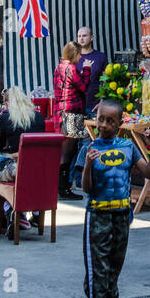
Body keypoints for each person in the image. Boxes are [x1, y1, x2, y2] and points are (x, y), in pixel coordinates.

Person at [81, 99, 150, 298]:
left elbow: (148, 173)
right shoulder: (90, 148)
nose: (103, 125)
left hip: (122, 216)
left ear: (119, 124)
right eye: (100, 119)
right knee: (98, 272)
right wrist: (88, 166)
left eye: (109, 121)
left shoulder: (128, 147)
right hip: (98, 215)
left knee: (113, 271)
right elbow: (87, 188)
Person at [0, 86, 47, 238]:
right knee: (29, 179)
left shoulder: (5, 118)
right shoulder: (38, 117)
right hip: (39, 169)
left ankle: (12, 212)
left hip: (18, 168)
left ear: (7, 103)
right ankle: (35, 213)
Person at [53, 41, 88, 199]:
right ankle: (64, 188)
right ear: (74, 54)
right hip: (72, 112)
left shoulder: (59, 66)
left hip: (60, 112)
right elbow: (84, 86)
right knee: (68, 151)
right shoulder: (72, 68)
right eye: (79, 54)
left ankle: (60, 186)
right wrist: (87, 69)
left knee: (64, 151)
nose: (81, 57)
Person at [75, 27, 108, 115]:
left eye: (84, 36)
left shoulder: (101, 56)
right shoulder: (74, 58)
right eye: (79, 36)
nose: (81, 38)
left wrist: (102, 101)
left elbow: (106, 81)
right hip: (76, 106)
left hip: (95, 105)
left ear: (91, 38)